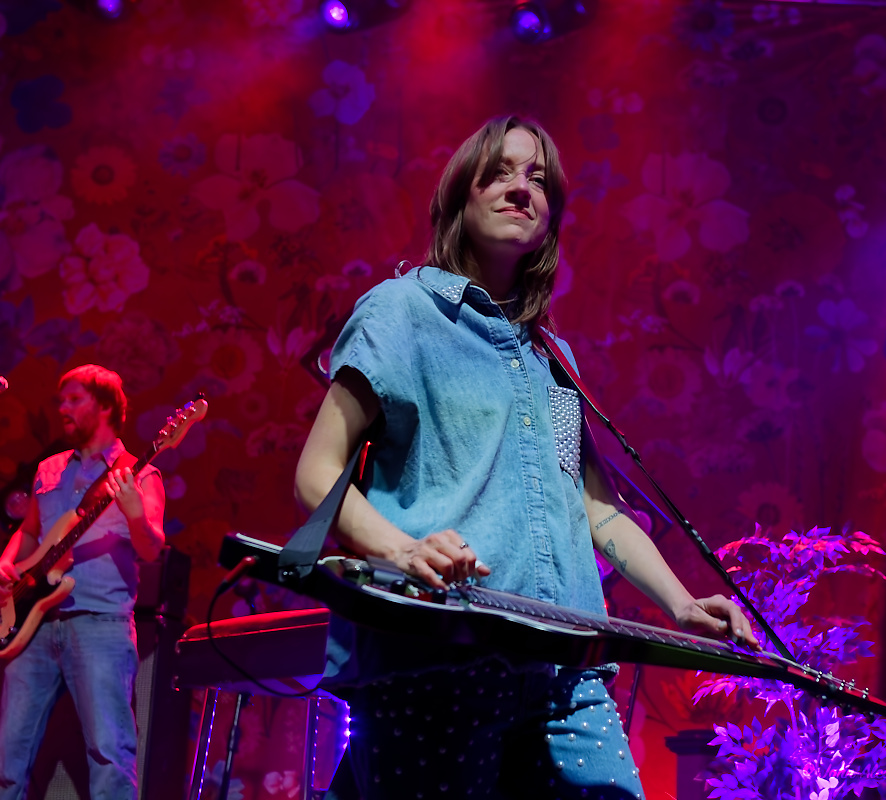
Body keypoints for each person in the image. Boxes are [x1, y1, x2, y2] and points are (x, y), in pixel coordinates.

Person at [295, 115, 757, 800]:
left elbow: (594, 507)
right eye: (501, 172)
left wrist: (682, 604)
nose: (522, 189)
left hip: (566, 672)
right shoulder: (399, 314)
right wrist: (404, 550)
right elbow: (317, 474)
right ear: (460, 197)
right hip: (437, 661)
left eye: (538, 179)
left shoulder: (553, 360)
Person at [0, 364, 165, 800]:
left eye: (74, 400)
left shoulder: (138, 474)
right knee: (7, 758)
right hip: (35, 626)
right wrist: (7, 564)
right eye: (60, 400)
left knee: (109, 756)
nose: (62, 408)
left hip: (101, 625)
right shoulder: (48, 468)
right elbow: (29, 532)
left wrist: (134, 511)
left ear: (105, 407)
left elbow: (152, 548)